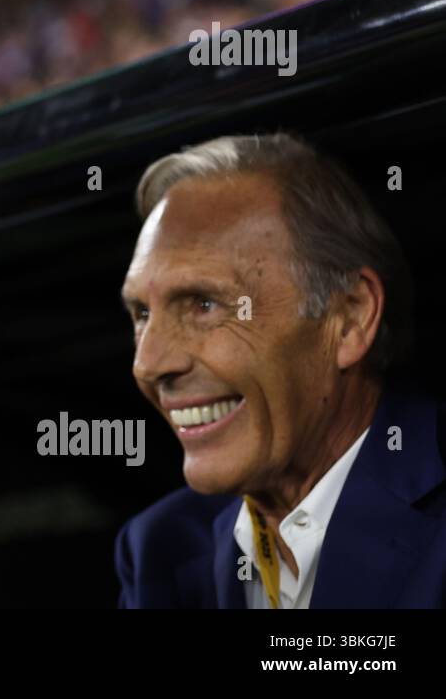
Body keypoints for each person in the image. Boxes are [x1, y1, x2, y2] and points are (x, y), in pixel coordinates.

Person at [115, 132, 446, 608]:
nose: (149, 363)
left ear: (349, 318)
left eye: (204, 304)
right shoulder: (159, 553)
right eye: (142, 314)